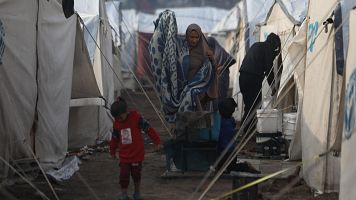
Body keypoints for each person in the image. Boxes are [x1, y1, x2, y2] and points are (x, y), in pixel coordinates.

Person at [109, 97, 161, 200]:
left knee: (136, 174)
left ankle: (137, 193)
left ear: (126, 111)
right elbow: (114, 139)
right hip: (124, 155)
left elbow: (148, 129)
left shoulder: (136, 118)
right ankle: (124, 195)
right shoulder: (117, 124)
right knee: (124, 175)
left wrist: (157, 141)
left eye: (120, 117)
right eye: (116, 118)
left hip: (136, 154)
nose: (118, 119)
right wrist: (112, 151)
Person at [239, 33, 282, 134]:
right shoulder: (268, 49)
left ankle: (244, 130)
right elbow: (269, 70)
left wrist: (274, 55)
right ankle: (248, 132)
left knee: (249, 105)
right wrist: (273, 87)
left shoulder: (257, 45)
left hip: (243, 77)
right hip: (252, 79)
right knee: (254, 106)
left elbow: (260, 60)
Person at [185, 24, 219, 111]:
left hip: (201, 93)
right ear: (187, 36)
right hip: (185, 93)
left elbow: (213, 70)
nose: (194, 40)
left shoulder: (205, 51)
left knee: (200, 119)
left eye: (197, 37)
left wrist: (212, 60)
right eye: (191, 37)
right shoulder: (182, 51)